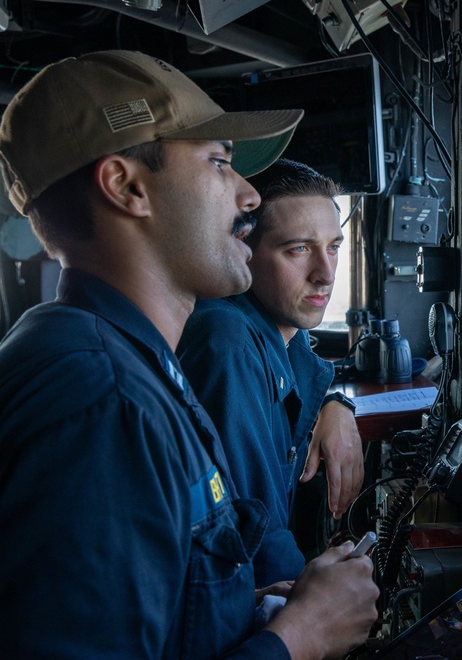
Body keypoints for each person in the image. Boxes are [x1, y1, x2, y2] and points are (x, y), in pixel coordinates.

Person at [0, 50, 378, 659]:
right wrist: (298, 639)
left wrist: (249, 611)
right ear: (127, 188)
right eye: (220, 163)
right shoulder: (104, 403)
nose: (250, 196)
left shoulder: (129, 363)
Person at [177, 158, 364, 586]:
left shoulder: (281, 333)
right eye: (298, 249)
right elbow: (257, 536)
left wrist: (335, 404)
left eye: (333, 246)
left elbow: (308, 368)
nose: (326, 274)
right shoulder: (228, 341)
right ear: (242, 249)